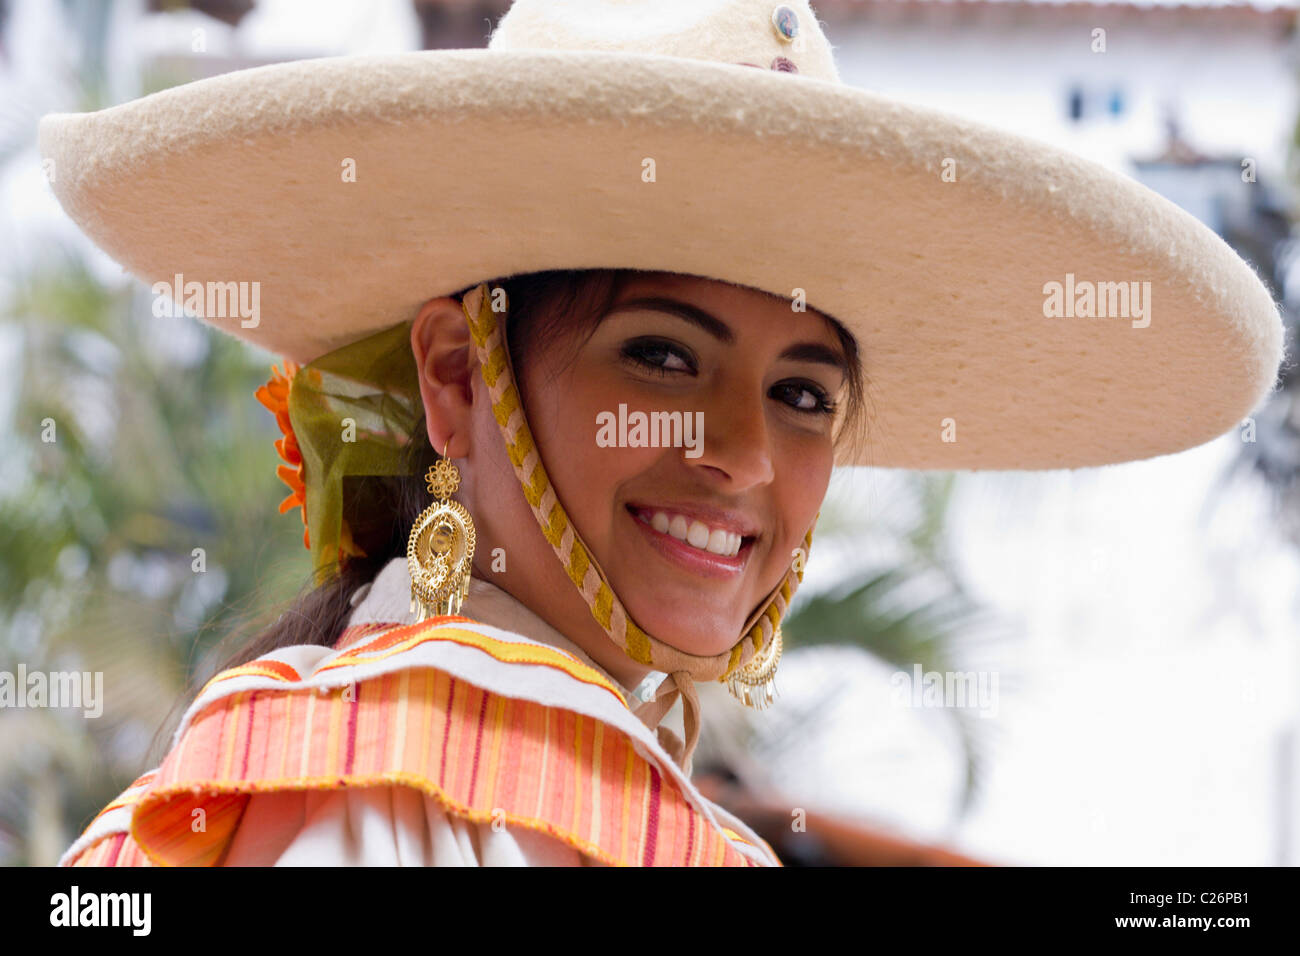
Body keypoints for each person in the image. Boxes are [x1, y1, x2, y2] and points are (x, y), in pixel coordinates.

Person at [42, 0, 1284, 866]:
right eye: (664, 355)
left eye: (803, 393)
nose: (743, 455)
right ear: (456, 376)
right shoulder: (384, 792)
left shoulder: (538, 774)